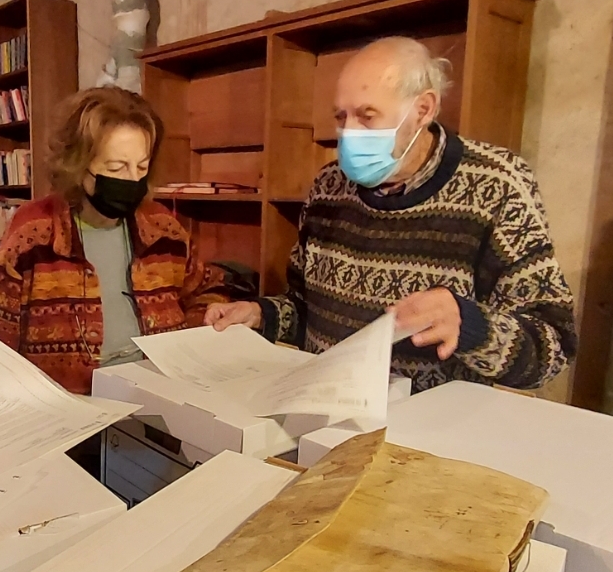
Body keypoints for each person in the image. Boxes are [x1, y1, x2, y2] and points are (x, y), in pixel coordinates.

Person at [207, 36, 577, 393]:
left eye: (368, 116)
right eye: (341, 117)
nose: (349, 133)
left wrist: (473, 327)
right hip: (323, 411)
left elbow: (554, 346)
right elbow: (305, 311)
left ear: (422, 110)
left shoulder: (497, 184)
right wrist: (259, 315)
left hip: (427, 435)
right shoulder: (328, 186)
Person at [0, 86, 227, 395]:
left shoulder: (164, 227)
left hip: (162, 395)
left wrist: (201, 326)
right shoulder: (32, 231)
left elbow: (207, 290)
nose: (132, 179)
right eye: (116, 167)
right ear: (77, 163)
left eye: (141, 166)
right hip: (67, 408)